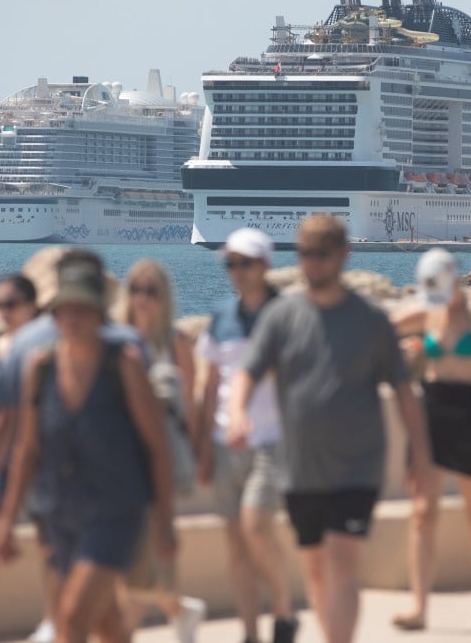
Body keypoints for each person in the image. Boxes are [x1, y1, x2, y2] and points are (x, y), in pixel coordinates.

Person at [228, 215, 431, 643]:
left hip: (358, 467)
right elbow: (247, 372)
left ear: (343, 255)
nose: (312, 264)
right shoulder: (282, 316)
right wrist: (238, 412)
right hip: (300, 468)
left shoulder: (372, 320)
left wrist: (421, 456)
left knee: (342, 561)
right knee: (317, 569)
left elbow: (404, 390)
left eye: (321, 254)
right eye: (305, 254)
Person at [0, 252, 176, 643]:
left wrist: (165, 522)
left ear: (100, 314)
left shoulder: (123, 365)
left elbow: (156, 446)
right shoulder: (39, 369)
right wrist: (7, 520)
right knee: (106, 624)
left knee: (71, 619)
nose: (72, 319)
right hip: (60, 513)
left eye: (82, 309)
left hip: (114, 512)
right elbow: (27, 449)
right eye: (65, 310)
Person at [389, 248, 471, 631]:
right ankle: (419, 607)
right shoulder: (428, 311)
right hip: (432, 412)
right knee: (422, 513)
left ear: (456, 278)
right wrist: (407, 351)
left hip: (469, 411)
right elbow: (386, 327)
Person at [195, 228, 298, 643]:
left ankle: (284, 610)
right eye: (231, 264)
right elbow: (209, 383)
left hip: (271, 441)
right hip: (224, 443)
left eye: (245, 263)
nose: (236, 271)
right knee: (236, 547)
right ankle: (251, 633)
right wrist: (203, 444)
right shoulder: (221, 317)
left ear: (265, 266)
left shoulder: (286, 314)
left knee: (256, 526)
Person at [116, 259, 207, 642]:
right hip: (119, 463)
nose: (142, 298)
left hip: (161, 463)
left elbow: (192, 407)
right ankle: (181, 612)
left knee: (151, 550)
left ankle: (163, 619)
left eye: (151, 291)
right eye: (135, 289)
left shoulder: (175, 343)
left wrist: (200, 455)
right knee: (130, 557)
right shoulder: (116, 342)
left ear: (164, 297)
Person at [0, 273, 40, 495]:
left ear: (32, 305)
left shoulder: (43, 352)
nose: (4, 312)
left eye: (11, 305)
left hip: (32, 454)